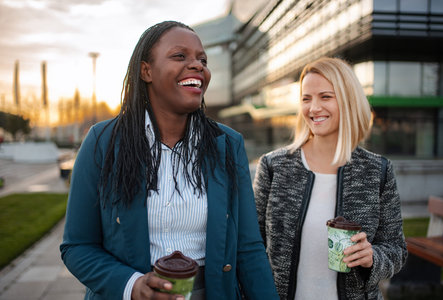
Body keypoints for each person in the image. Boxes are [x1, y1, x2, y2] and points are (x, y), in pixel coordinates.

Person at [60, 21, 279, 300]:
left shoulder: (227, 144)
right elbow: (78, 246)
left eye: (202, 59)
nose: (197, 65)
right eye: (180, 56)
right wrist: (132, 285)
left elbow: (248, 248)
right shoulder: (103, 141)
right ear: (146, 70)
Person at [253, 57, 407, 300]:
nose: (313, 108)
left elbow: (396, 250)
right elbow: (251, 246)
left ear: (348, 101)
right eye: (306, 98)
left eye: (325, 97)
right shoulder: (274, 166)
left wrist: (372, 258)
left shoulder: (378, 171)